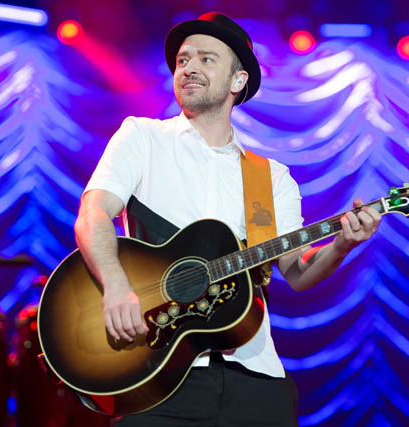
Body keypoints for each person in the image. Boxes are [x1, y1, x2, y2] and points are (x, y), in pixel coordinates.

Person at [73, 12, 381, 427]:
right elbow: (93, 213)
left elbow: (297, 271)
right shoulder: (142, 138)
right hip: (159, 371)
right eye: (183, 60)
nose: (189, 68)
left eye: (206, 59)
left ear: (238, 81)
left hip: (254, 376)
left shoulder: (271, 177)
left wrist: (342, 244)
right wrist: (115, 286)